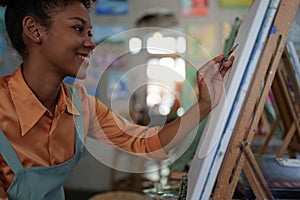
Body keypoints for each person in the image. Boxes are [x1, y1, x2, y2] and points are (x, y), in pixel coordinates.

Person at [0, 0, 234, 199]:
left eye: (90, 32)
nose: (90, 42)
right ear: (34, 30)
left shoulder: (81, 104)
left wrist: (204, 103)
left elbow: (146, 143)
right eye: (78, 29)